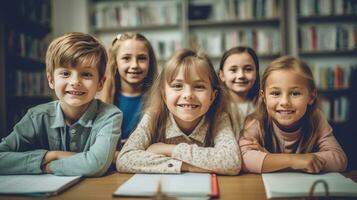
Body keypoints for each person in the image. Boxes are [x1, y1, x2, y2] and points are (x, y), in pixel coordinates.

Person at [0, 32, 122, 177]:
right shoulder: (36, 116)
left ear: (100, 83)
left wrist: (49, 166)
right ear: (51, 80)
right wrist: (50, 155)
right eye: (65, 73)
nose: (75, 82)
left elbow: (96, 165)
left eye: (86, 74)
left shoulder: (110, 115)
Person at [116, 49, 241, 175]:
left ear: (212, 96)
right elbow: (124, 159)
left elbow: (232, 161)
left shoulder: (219, 118)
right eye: (177, 86)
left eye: (199, 86)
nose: (188, 95)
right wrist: (188, 166)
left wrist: (169, 150)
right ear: (164, 95)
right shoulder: (154, 116)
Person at [239, 56, 347, 174]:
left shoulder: (315, 118)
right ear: (264, 97)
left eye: (295, 93)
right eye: (275, 93)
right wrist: (294, 161)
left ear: (311, 96)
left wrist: (269, 159)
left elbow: (339, 159)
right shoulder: (257, 120)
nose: (285, 102)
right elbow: (242, 159)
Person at [100, 32, 158, 145]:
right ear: (115, 62)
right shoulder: (101, 101)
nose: (134, 65)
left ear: (150, 62)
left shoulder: (160, 99)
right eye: (126, 58)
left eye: (141, 58)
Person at [218, 46, 260, 134]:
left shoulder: (262, 106)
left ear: (256, 73)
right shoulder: (217, 107)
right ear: (222, 75)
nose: (241, 75)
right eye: (233, 70)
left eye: (248, 69)